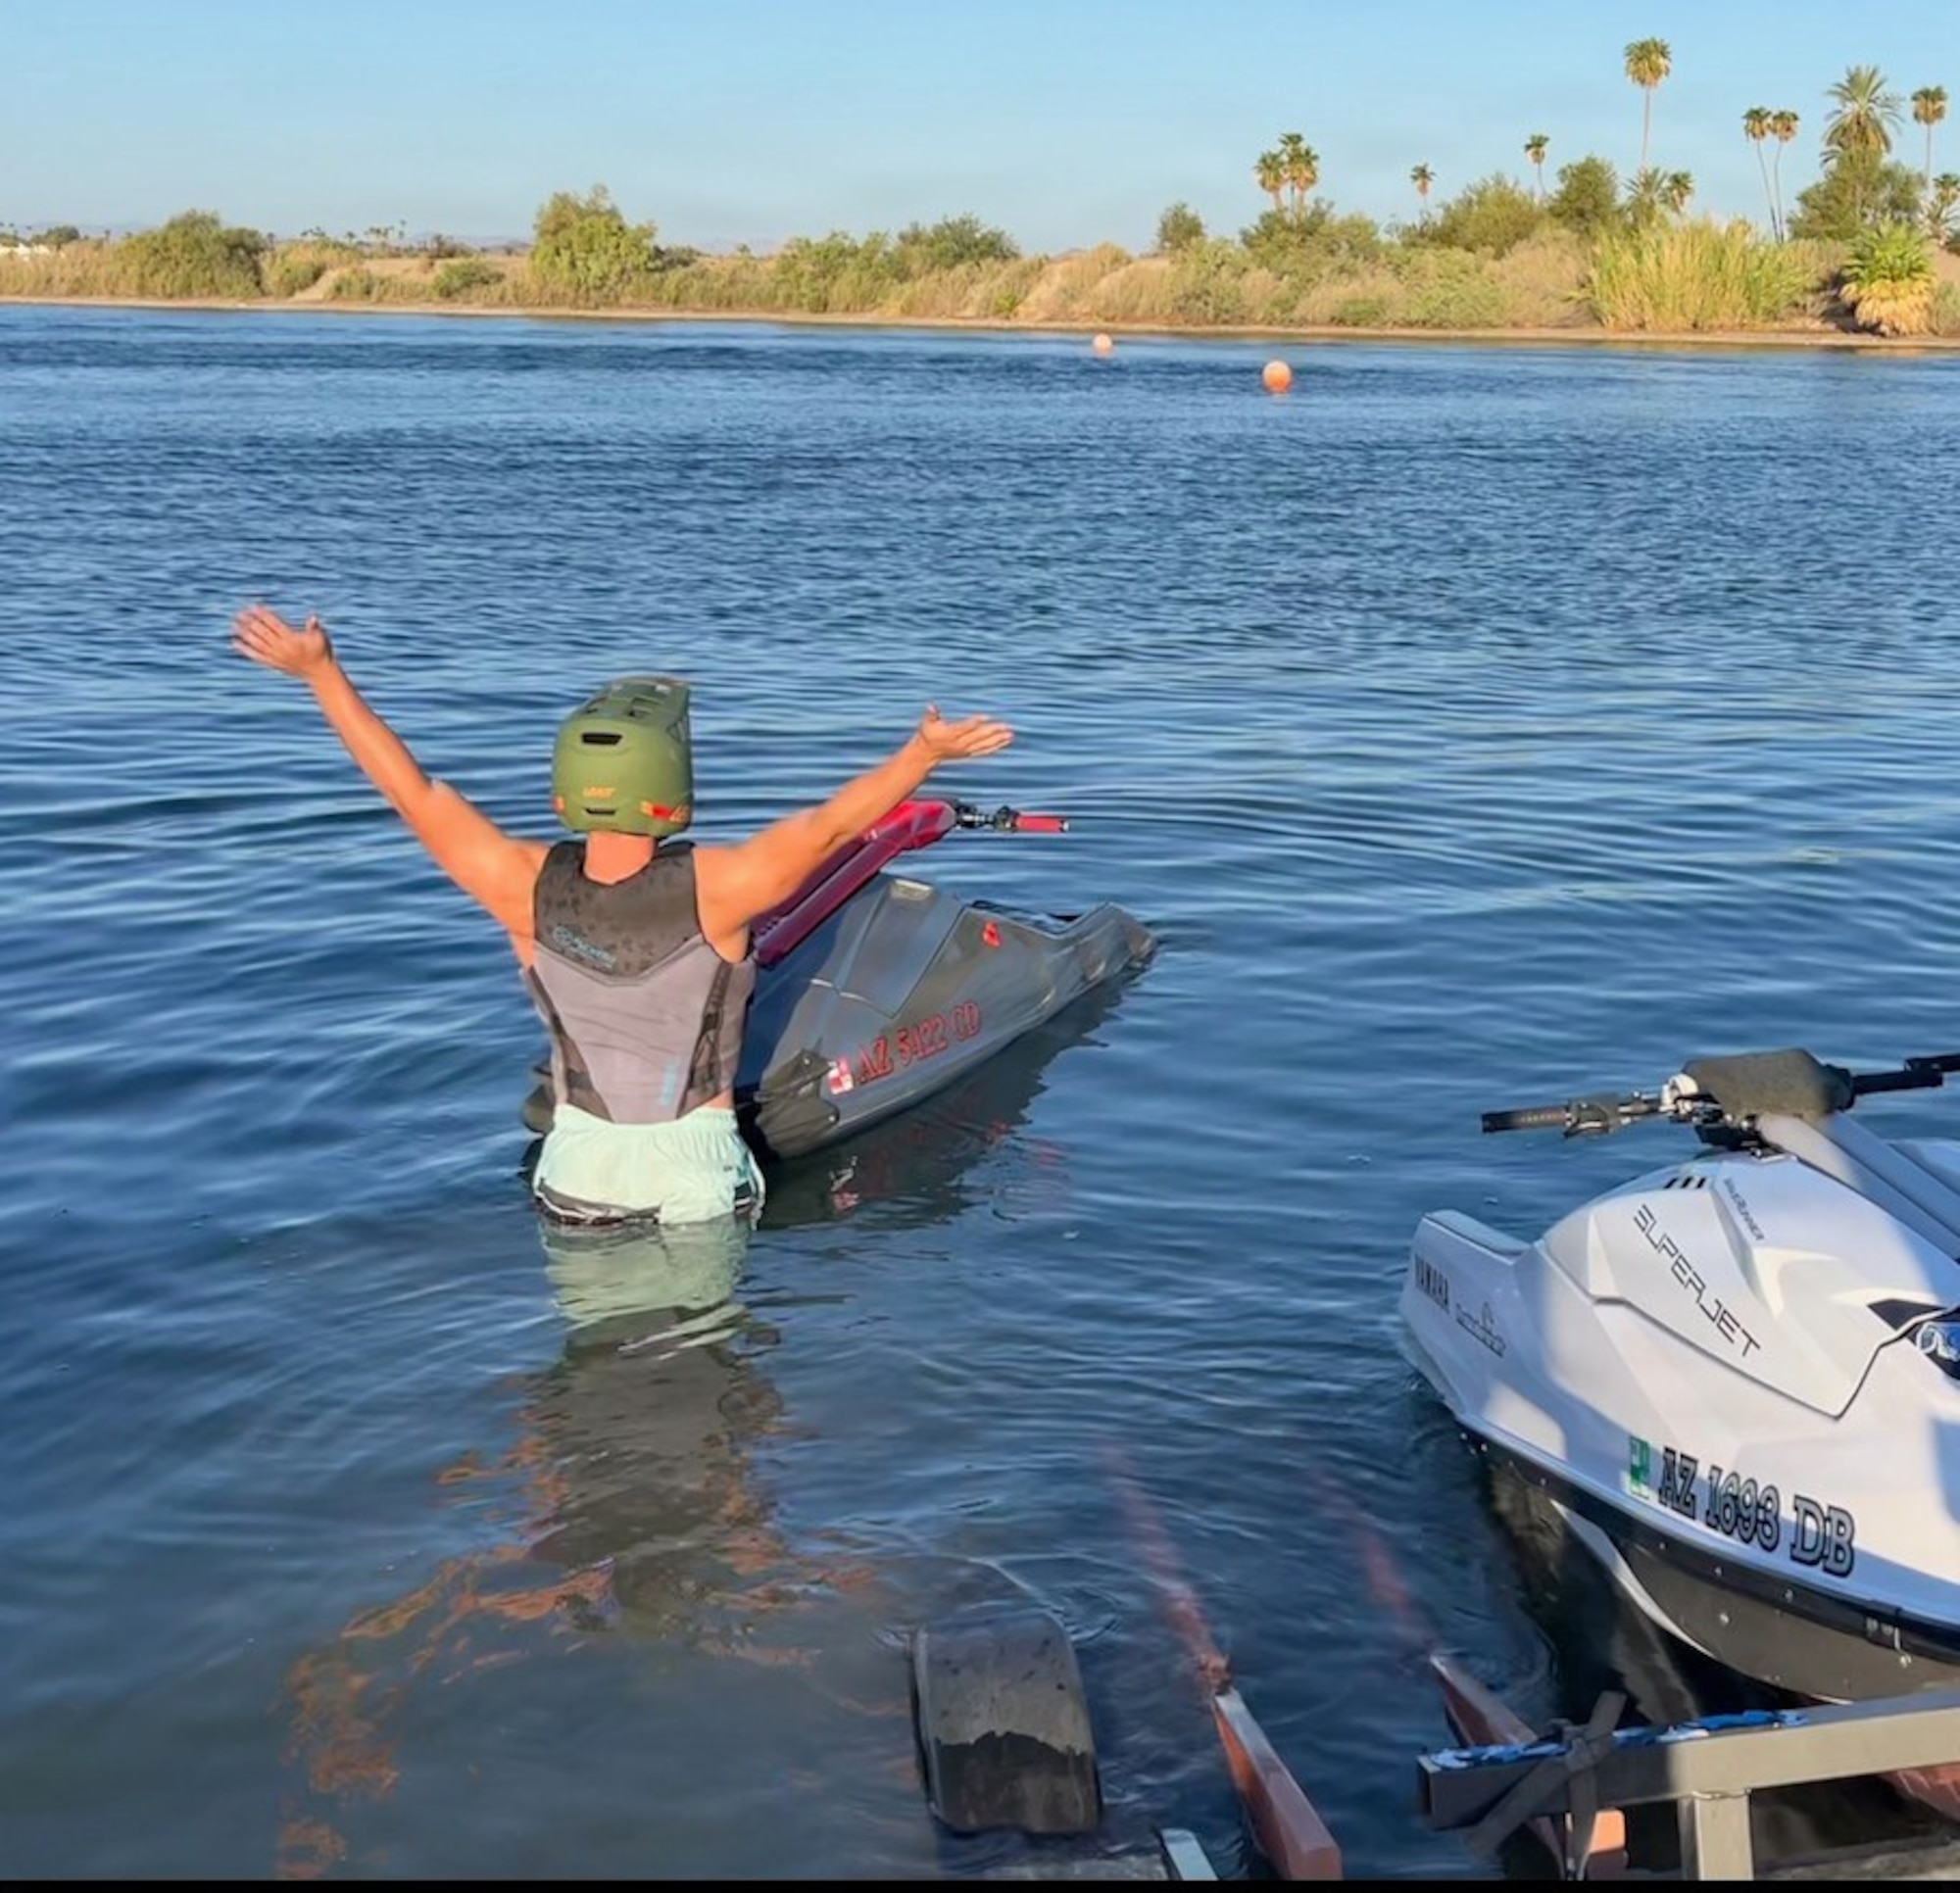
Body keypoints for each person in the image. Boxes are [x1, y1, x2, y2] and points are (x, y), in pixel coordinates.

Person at [229, 603, 1013, 1229]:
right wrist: (921, 753)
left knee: (584, 1390)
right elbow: (834, 828)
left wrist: (321, 673)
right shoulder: (721, 886)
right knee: (708, 1407)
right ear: (675, 791)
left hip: (577, 1170)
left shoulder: (514, 883)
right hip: (691, 1176)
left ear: (562, 793)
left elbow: (413, 793)